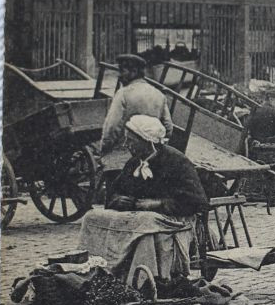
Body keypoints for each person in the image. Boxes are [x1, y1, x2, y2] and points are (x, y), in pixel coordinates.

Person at [80, 114, 207, 281]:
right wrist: (117, 200)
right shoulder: (133, 163)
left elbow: (197, 202)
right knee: (91, 217)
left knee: (145, 230)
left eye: (131, 141)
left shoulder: (177, 161)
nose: (126, 145)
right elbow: (115, 192)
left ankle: (142, 281)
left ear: (148, 141)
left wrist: (159, 204)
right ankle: (93, 272)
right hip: (142, 219)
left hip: (175, 221)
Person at [96, 54, 172, 155]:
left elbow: (112, 126)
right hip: (151, 149)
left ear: (134, 72)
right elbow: (168, 127)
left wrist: (104, 148)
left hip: (126, 149)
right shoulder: (159, 94)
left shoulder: (123, 93)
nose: (120, 75)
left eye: (123, 71)